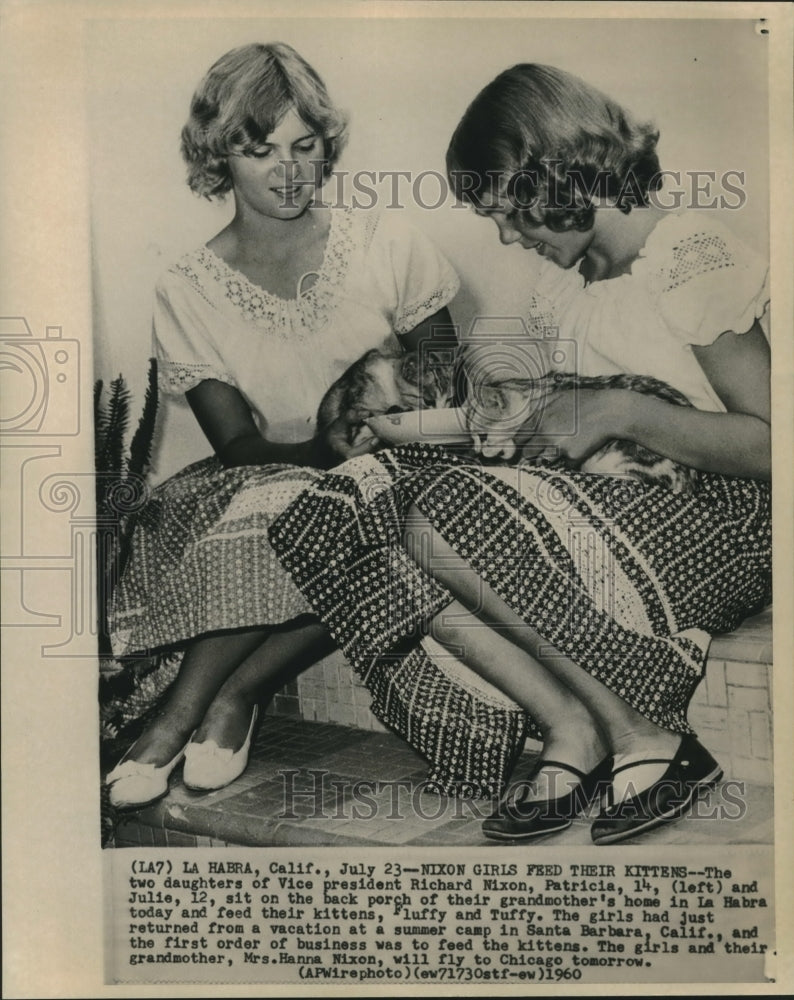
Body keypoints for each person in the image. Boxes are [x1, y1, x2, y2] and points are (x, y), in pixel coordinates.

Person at [269, 63, 771, 844]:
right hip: (604, 501)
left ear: (558, 173)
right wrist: (497, 432)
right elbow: (557, 426)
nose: (508, 236)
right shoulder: (565, 291)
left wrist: (617, 408)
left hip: (717, 517)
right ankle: (568, 721)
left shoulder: (690, 255)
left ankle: (643, 731)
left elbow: (776, 446)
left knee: (439, 510)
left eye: (508, 212)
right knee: (357, 494)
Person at [104, 42, 459, 809]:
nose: (288, 170)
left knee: (374, 518)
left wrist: (380, 437)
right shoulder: (186, 287)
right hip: (272, 465)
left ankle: (222, 699)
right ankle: (190, 713)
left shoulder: (385, 241)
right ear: (218, 156)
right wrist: (319, 454)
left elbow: (447, 374)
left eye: (305, 146)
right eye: (258, 149)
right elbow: (235, 444)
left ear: (326, 145)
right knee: (285, 505)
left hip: (406, 458)